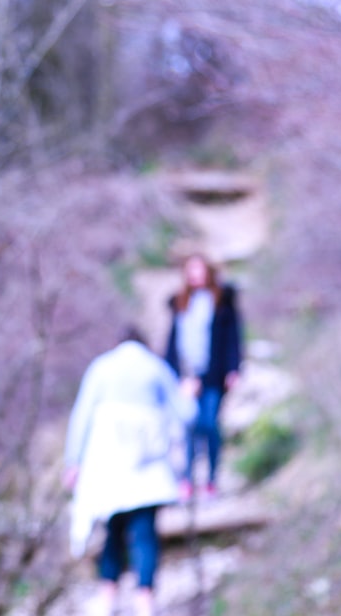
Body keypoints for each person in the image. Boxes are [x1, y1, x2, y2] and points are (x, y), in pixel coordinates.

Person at [64, 327, 196, 616]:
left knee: (113, 530)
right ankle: (144, 601)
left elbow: (82, 415)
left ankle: (107, 599)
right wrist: (189, 393)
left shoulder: (101, 367)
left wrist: (72, 462)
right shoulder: (157, 367)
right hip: (150, 469)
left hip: (108, 466)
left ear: (119, 343)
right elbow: (185, 414)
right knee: (146, 533)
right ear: (144, 343)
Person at [165, 254, 243, 498]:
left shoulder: (222, 301)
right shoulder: (180, 302)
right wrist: (174, 375)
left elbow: (233, 338)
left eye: (199, 269)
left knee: (209, 424)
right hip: (187, 377)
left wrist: (234, 369)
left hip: (213, 375)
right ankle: (187, 481)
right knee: (189, 426)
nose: (195, 274)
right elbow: (172, 342)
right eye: (191, 270)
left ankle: (211, 480)